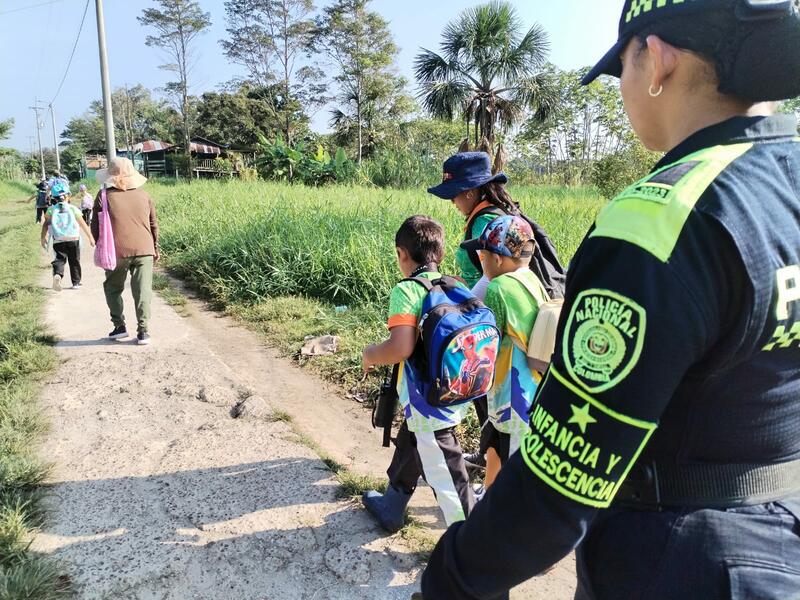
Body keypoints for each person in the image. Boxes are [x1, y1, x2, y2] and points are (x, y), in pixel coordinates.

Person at [418, 1, 800, 599]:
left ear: (657, 60)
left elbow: (561, 478)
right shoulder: (787, 180)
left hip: (674, 558)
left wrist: (451, 578)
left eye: (621, 65)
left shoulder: (660, 219)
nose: (623, 87)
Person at [361, 215, 474, 533]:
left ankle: (473, 550)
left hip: (427, 399)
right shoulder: (455, 285)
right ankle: (391, 506)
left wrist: (369, 354)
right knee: (412, 439)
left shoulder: (407, 290)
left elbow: (400, 348)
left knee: (449, 477)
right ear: (439, 252)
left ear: (402, 254)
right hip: (455, 387)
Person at [460, 215, 549, 488]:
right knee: (495, 445)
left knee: (511, 458)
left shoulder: (499, 287)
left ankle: (511, 521)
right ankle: (489, 495)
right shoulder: (531, 279)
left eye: (482, 255)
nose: (481, 260)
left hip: (511, 395)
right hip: (532, 384)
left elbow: (489, 338)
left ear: (497, 259)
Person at [92, 158, 159, 346]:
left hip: (116, 251)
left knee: (112, 288)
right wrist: (155, 248)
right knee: (142, 291)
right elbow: (154, 225)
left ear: (110, 175)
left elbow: (95, 225)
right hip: (145, 249)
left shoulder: (103, 196)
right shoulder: (144, 195)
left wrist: (100, 244)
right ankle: (143, 331)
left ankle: (119, 326)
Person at [41, 192, 94, 291]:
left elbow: (45, 224)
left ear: (55, 199)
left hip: (58, 239)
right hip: (73, 238)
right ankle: (76, 283)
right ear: (67, 197)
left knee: (60, 259)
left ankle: (58, 275)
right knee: (74, 260)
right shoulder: (73, 208)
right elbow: (83, 224)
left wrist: (43, 238)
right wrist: (90, 237)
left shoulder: (51, 210)